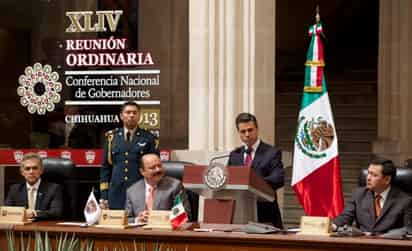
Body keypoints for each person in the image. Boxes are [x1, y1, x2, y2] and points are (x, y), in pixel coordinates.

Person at [228, 112, 284, 228]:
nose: (247, 134)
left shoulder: (271, 153)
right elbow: (229, 180)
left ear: (257, 129)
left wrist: (252, 183)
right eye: (243, 131)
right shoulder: (235, 155)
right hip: (239, 216)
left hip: (266, 215)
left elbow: (278, 179)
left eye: (250, 130)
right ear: (239, 133)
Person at [100, 101, 159, 209]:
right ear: (121, 116)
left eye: (135, 113)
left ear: (139, 116)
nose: (131, 115)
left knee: (139, 222)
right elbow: (106, 169)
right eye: (128, 112)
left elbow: (154, 169)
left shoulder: (149, 138)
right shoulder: (111, 138)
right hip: (116, 193)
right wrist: (104, 195)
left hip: (140, 191)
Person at [334, 158, 412, 234]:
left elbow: (408, 229)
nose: (368, 178)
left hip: (390, 244)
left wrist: (385, 236)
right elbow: (345, 217)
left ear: (387, 179)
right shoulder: (358, 194)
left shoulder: (405, 201)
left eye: (374, 175)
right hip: (362, 243)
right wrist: (332, 226)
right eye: (368, 173)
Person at [125, 153, 191, 223]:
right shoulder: (132, 191)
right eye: (152, 168)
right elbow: (126, 218)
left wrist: (158, 219)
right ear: (142, 172)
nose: (158, 170)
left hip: (164, 231)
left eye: (159, 166)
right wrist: (138, 219)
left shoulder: (174, 186)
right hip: (140, 232)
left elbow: (184, 215)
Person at [5, 152, 63, 220]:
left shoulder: (54, 189)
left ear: (41, 170)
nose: (31, 172)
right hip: (21, 228)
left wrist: (33, 214)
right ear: (22, 172)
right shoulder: (15, 189)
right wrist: (22, 214)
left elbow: (56, 213)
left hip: (44, 227)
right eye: (27, 168)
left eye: (35, 168)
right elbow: (6, 212)